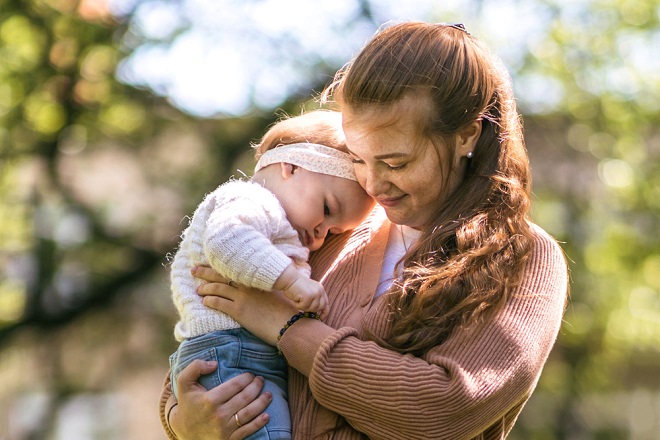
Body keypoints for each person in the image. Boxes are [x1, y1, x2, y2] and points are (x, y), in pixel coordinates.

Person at [160, 21, 569, 440]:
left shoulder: (520, 257)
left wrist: (288, 329)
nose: (372, 184)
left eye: (395, 163)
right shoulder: (327, 228)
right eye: (357, 159)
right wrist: (184, 419)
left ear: (466, 136)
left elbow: (444, 409)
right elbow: (217, 340)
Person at [167, 110, 375, 440]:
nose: (321, 234)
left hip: (241, 353)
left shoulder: (280, 220)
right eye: (326, 209)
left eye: (334, 231)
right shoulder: (250, 199)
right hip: (230, 352)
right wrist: (291, 281)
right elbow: (227, 240)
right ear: (291, 167)